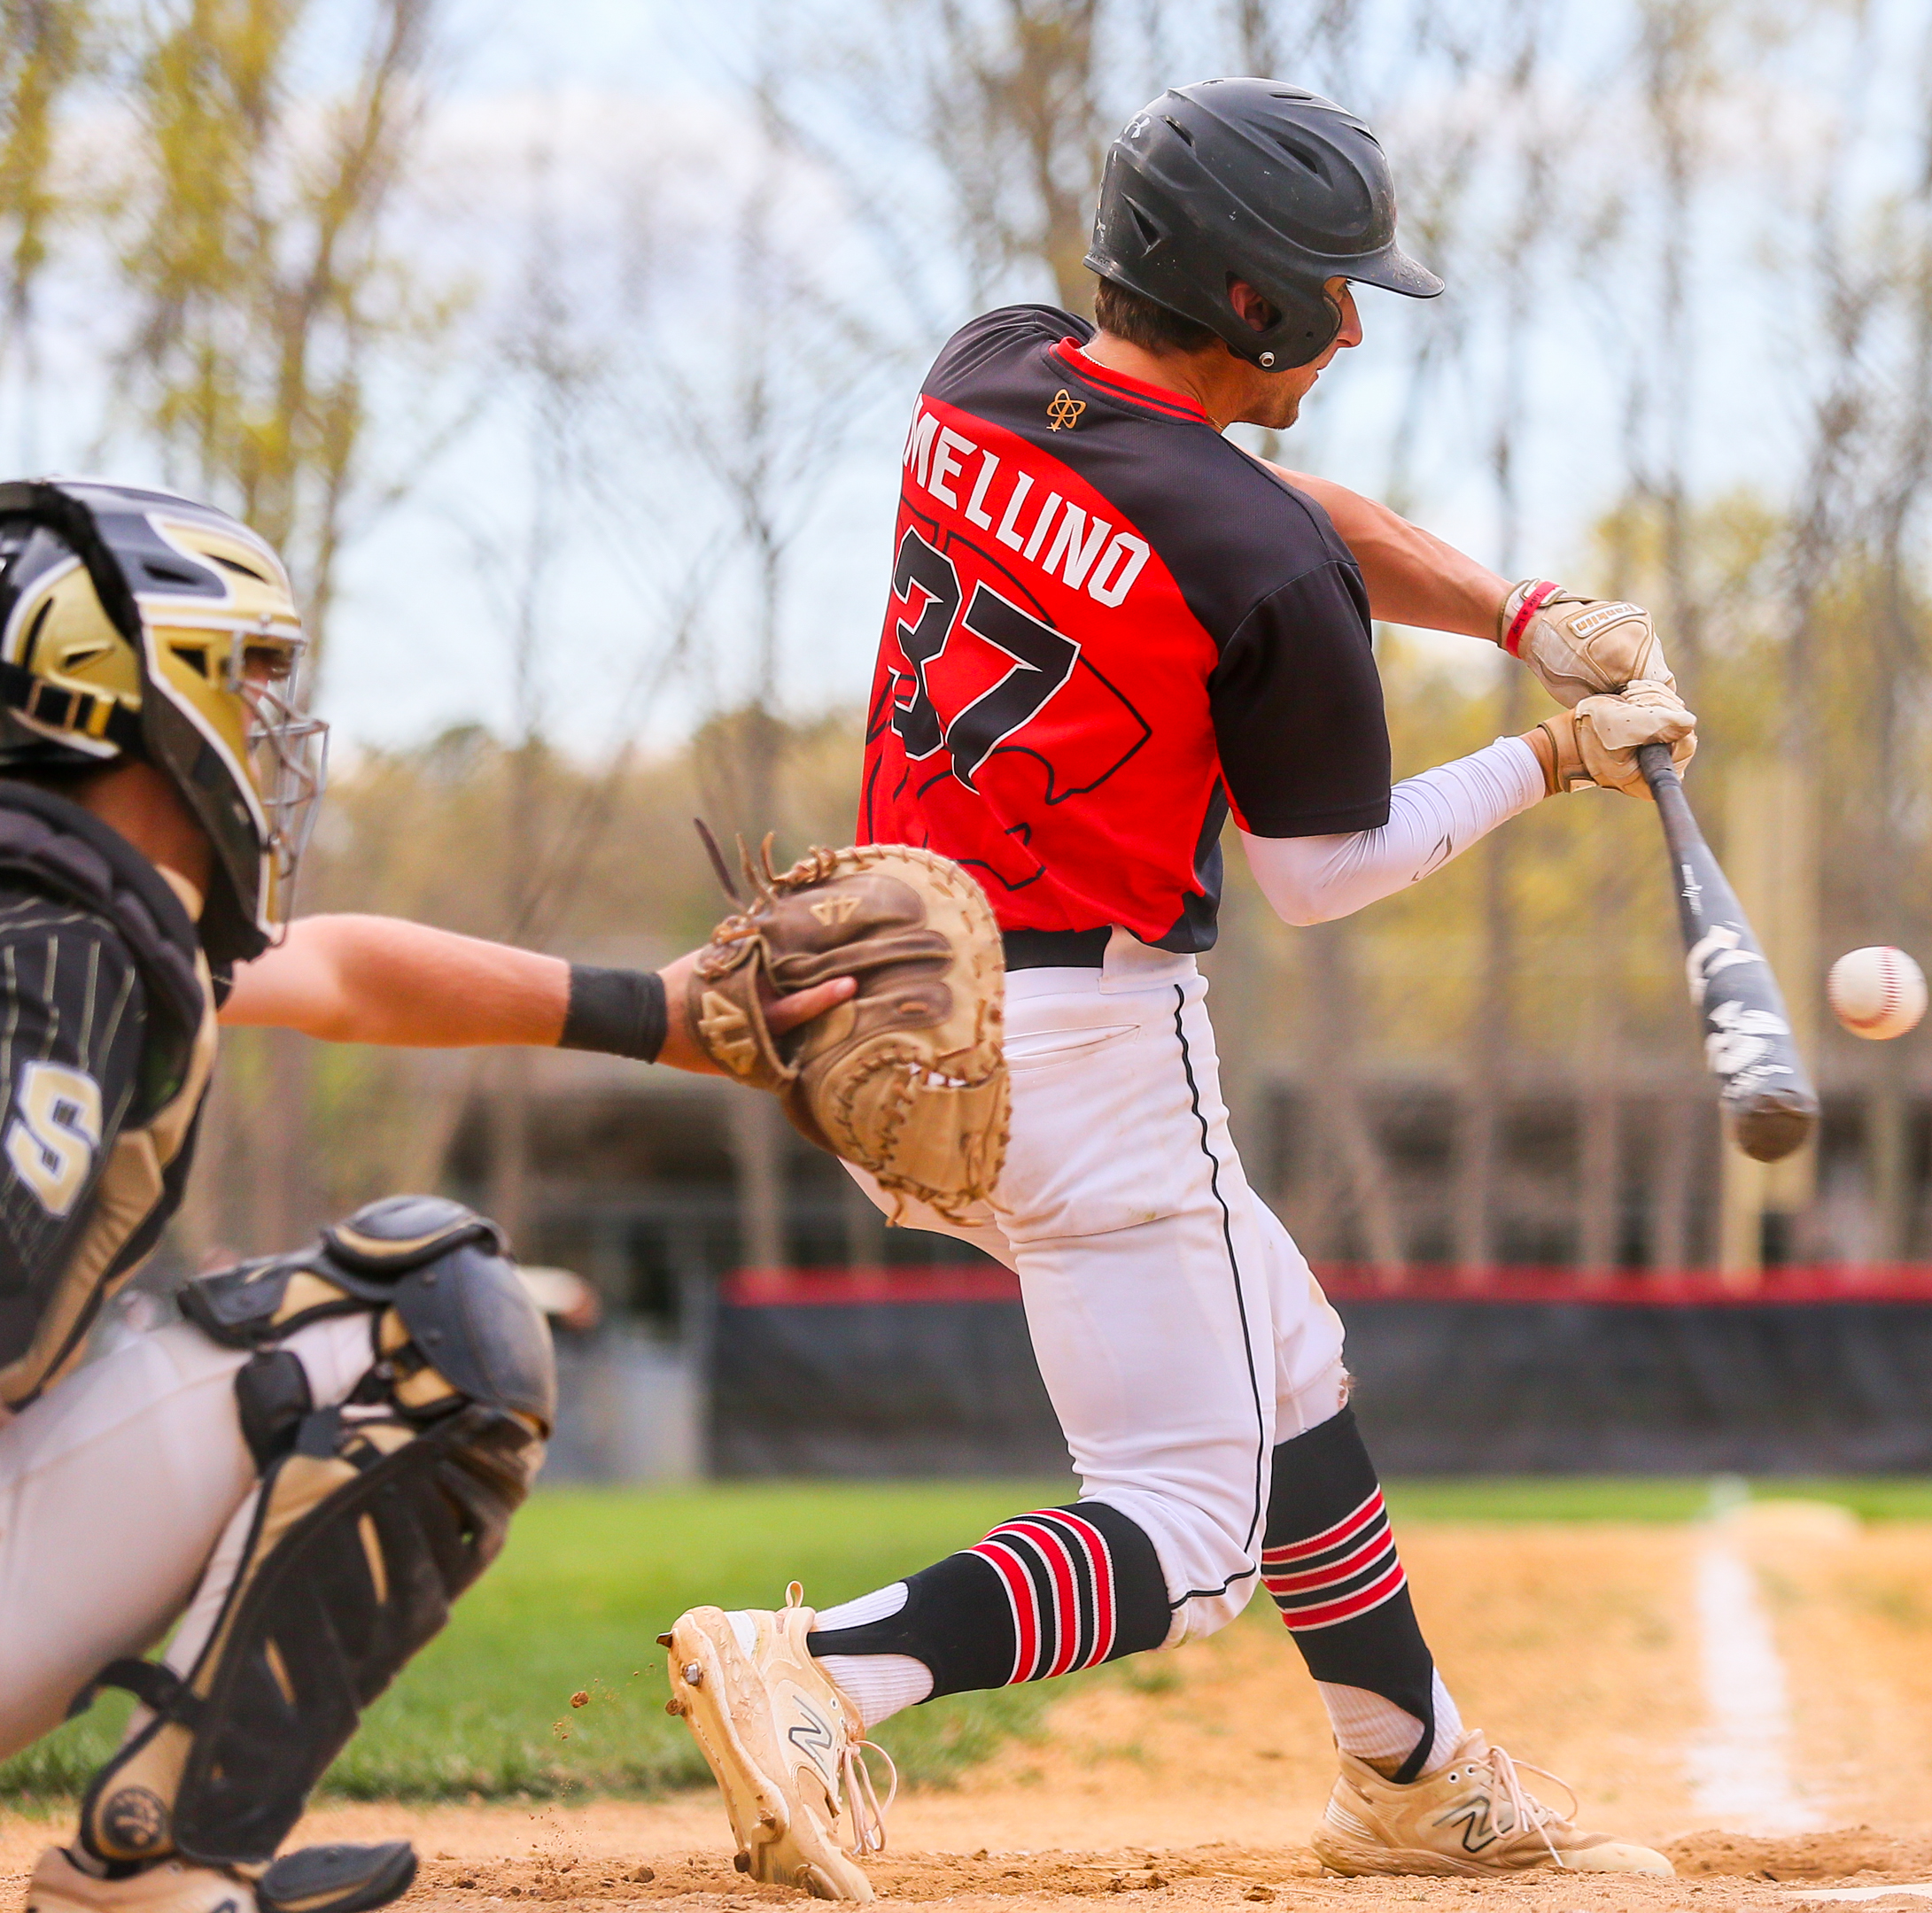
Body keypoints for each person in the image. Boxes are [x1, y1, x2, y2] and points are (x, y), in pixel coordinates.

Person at [657, 79, 1698, 1897]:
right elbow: (1323, 872)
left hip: (870, 1014)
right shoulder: (1264, 564)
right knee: (1191, 1532)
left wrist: (1526, 613)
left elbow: (1247, 496)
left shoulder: (986, 369)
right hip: (1084, 1060)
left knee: (1285, 1355)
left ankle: (1415, 1772)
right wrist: (1557, 762)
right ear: (1248, 305)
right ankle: (828, 1669)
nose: (1353, 321)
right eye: (1327, 288)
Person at [0, 477, 846, 1913]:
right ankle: (153, 1870)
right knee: (431, 1318)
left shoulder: (67, 917)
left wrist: (667, 1015)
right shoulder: (54, 953)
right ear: (119, 698)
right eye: (239, 678)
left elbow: (338, 971)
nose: (265, 730)